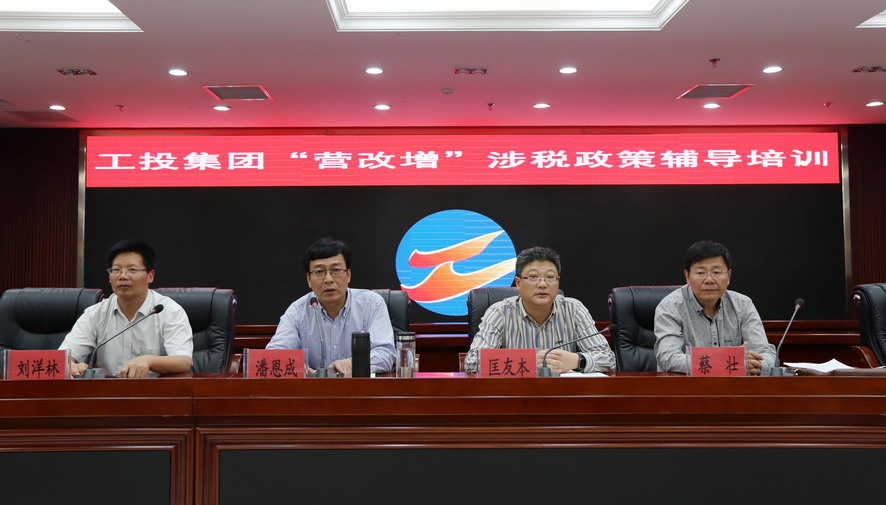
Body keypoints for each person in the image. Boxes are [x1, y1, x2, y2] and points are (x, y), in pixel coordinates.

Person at [465, 246, 615, 374]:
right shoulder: (500, 312)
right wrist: (527, 361)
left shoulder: (574, 310)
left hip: (562, 393)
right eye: (533, 276)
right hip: (516, 394)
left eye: (550, 277)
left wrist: (577, 360)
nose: (542, 284)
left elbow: (608, 359)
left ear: (557, 282)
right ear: (518, 283)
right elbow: (472, 362)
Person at [59, 240, 193, 378]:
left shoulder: (170, 311)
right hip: (107, 389)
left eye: (132, 269)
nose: (123, 276)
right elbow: (62, 359)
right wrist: (71, 366)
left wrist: (148, 361)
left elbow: (183, 361)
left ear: (150, 276)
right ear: (109, 277)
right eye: (116, 270)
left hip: (154, 389)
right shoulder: (95, 314)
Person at [266, 238, 396, 376]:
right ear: (309, 279)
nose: (328, 279)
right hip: (313, 389)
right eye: (319, 272)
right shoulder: (297, 311)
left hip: (360, 387)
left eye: (336, 270)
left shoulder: (371, 304)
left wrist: (354, 364)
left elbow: (386, 353)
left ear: (348, 275)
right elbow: (274, 354)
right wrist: (297, 367)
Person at [654, 240, 775, 375]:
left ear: (728, 276)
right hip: (686, 386)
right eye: (701, 273)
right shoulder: (670, 307)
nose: (709, 280)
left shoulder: (743, 305)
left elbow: (766, 353)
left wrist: (757, 364)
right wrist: (728, 361)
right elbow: (668, 358)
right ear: (687, 276)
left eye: (716, 272)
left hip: (734, 386)